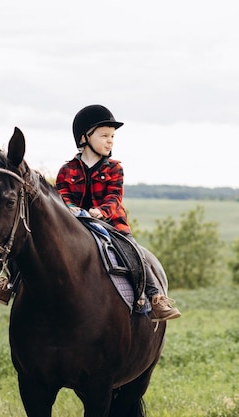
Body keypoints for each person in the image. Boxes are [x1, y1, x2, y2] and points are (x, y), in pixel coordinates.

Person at [54, 104, 181, 322]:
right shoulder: (67, 170)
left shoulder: (114, 168)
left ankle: (155, 298)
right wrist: (72, 209)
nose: (110, 140)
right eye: (104, 135)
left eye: (112, 136)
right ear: (84, 137)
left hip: (111, 225)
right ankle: (9, 283)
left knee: (135, 252)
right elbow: (63, 196)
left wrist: (100, 212)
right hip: (74, 224)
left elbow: (114, 198)